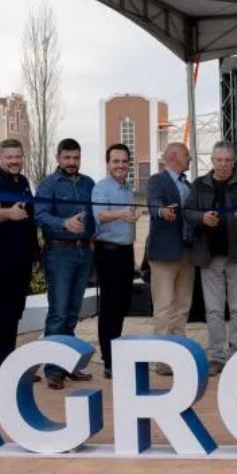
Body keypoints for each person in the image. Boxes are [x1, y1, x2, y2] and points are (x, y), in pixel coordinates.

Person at [184, 141, 237, 376]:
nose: (223, 164)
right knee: (214, 310)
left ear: (233, 161)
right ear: (212, 160)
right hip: (210, 257)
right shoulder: (199, 185)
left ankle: (236, 354)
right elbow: (187, 212)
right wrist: (202, 218)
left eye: (228, 160)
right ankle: (216, 356)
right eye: (219, 160)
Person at [34, 138, 96, 390]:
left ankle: (69, 364)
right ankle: (53, 369)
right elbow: (39, 215)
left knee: (73, 312)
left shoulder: (88, 183)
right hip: (59, 252)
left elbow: (95, 213)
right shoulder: (48, 185)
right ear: (58, 158)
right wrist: (64, 223)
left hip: (84, 253)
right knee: (58, 312)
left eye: (76, 158)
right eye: (67, 158)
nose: (72, 163)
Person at [0, 138, 38, 371]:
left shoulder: (23, 181)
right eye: (9, 157)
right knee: (4, 311)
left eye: (18, 157)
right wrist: (8, 214)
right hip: (3, 258)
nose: (14, 161)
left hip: (23, 257)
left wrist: (36, 253)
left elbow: (30, 218)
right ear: (0, 158)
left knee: (15, 311)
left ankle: (11, 363)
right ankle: (5, 365)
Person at [91, 143, 138, 379]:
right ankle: (109, 360)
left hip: (125, 252)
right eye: (116, 161)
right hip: (108, 252)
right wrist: (121, 213)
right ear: (108, 163)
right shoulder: (102, 188)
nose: (120, 165)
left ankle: (115, 355)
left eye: (124, 161)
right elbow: (99, 215)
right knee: (110, 307)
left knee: (122, 305)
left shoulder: (127, 188)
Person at [146, 143, 193, 375]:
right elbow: (153, 202)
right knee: (164, 307)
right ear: (174, 156)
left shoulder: (188, 184)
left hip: (187, 253)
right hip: (164, 254)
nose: (190, 158)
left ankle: (179, 354)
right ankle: (163, 361)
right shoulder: (157, 180)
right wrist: (162, 211)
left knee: (183, 307)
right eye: (187, 154)